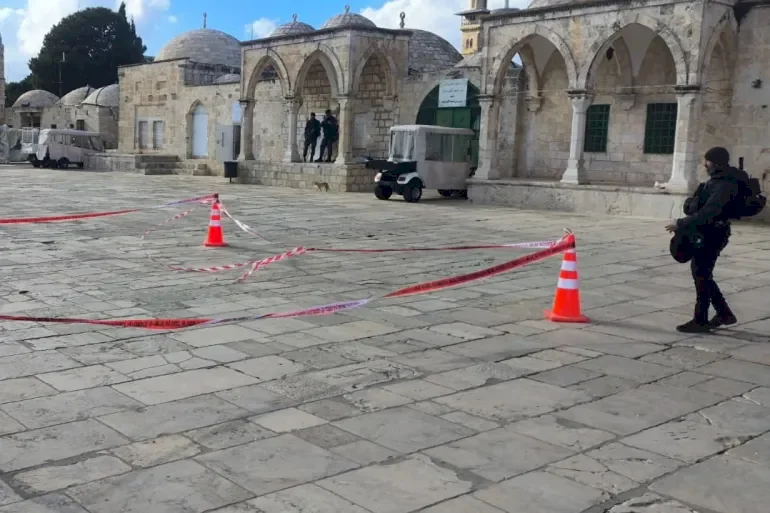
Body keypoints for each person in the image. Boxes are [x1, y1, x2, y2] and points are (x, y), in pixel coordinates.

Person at [665, 146, 748, 333]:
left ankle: (702, 319)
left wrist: (680, 223)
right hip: (709, 232)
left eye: (707, 161)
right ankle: (723, 313)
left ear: (715, 162)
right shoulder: (719, 181)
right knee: (702, 273)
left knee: (701, 273)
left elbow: (708, 213)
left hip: (712, 234)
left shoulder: (724, 184)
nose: (705, 164)